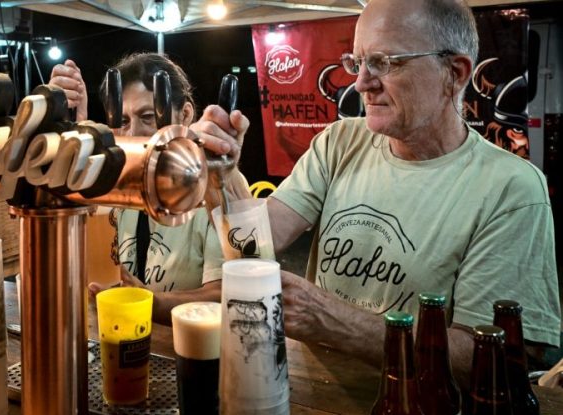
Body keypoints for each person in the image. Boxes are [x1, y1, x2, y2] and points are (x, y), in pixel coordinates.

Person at [195, 0, 560, 386]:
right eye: (357, 62)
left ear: (453, 73)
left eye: (385, 62)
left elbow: (486, 359)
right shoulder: (340, 142)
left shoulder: (510, 189)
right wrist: (222, 175)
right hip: (308, 398)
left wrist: (335, 322)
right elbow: (253, 246)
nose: (360, 82)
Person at [49, 53, 247, 325]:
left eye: (147, 116)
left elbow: (227, 293)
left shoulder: (212, 185)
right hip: (113, 333)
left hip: (185, 347)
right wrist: (72, 128)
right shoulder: (115, 181)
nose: (132, 135)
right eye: (124, 121)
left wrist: (144, 301)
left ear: (186, 114)